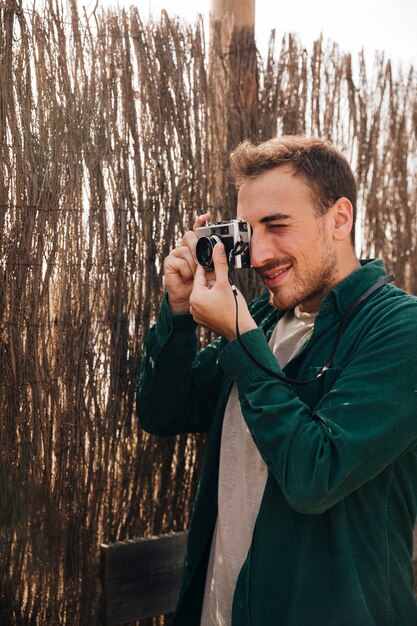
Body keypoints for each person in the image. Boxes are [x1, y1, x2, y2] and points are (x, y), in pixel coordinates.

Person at [136, 136, 417, 625]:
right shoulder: (265, 319)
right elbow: (164, 412)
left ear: (339, 219)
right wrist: (178, 311)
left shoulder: (399, 329)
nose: (260, 254)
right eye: (248, 232)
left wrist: (241, 340)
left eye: (277, 226)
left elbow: (315, 476)